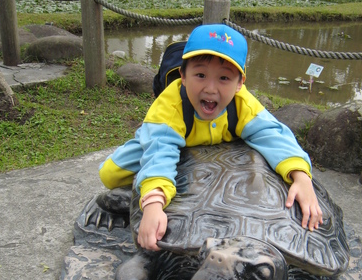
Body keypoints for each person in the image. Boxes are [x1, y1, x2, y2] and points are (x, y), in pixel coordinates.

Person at [99, 24, 323, 251]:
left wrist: (301, 176)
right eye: (200, 75)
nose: (210, 88)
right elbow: (159, 152)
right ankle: (143, 188)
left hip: (218, 144)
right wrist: (153, 203)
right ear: (183, 76)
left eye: (224, 78)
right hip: (170, 135)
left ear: (239, 84)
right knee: (110, 174)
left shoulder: (242, 103)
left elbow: (273, 134)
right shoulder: (169, 107)